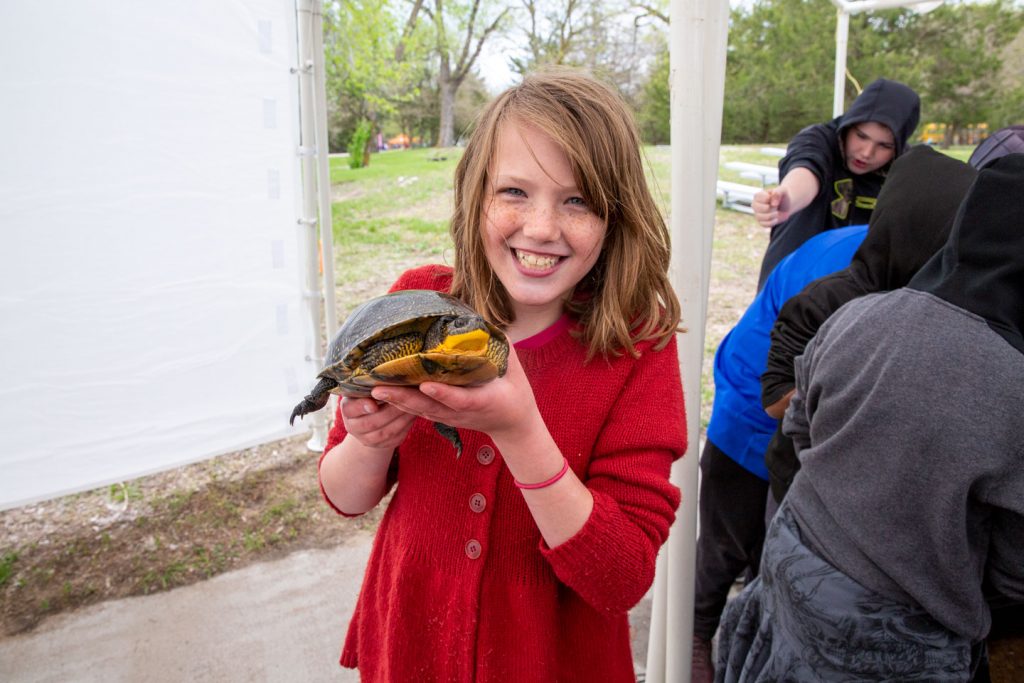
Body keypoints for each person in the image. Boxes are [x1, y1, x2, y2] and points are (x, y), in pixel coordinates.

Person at [316, 69, 687, 682]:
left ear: (616, 215)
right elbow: (345, 495)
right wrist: (367, 436)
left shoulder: (636, 346)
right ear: (475, 194)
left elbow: (621, 578)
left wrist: (519, 431)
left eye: (578, 200)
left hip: (552, 661)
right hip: (413, 645)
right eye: (514, 191)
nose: (541, 227)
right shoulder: (421, 301)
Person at [717, 153, 1024, 682]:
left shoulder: (861, 315)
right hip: (897, 633)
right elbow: (1015, 567)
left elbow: (800, 425)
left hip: (795, 568)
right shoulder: (1014, 381)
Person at [690, 223, 868, 682]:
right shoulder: (844, 266)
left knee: (772, 557)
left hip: (800, 436)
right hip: (754, 413)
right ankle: (695, 639)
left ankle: (745, 647)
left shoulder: (886, 256)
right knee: (722, 545)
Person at [752, 78, 920, 288]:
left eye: (884, 145)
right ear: (849, 125)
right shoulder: (819, 139)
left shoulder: (908, 169)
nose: (867, 153)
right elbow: (807, 167)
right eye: (861, 136)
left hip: (854, 297)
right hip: (791, 283)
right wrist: (788, 197)